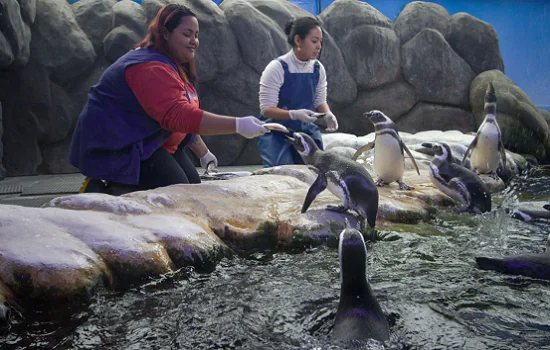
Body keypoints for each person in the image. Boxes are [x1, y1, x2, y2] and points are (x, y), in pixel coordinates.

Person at [69, 4, 268, 194]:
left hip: (155, 142)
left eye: (196, 35)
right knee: (178, 193)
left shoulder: (173, 66)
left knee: (193, 187)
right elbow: (179, 115)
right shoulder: (149, 67)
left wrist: (203, 152)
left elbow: (182, 116)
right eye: (187, 34)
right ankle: (105, 191)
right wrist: (238, 125)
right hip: (124, 148)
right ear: (165, 34)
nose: (194, 41)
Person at [257, 16, 339, 168]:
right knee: (281, 173)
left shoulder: (318, 68)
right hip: (277, 133)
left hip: (306, 132)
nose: (319, 46)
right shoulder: (276, 68)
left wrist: (328, 114)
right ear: (298, 40)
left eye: (320, 41)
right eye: (314, 41)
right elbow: (266, 110)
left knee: (317, 171)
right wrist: (293, 114)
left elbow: (319, 101)